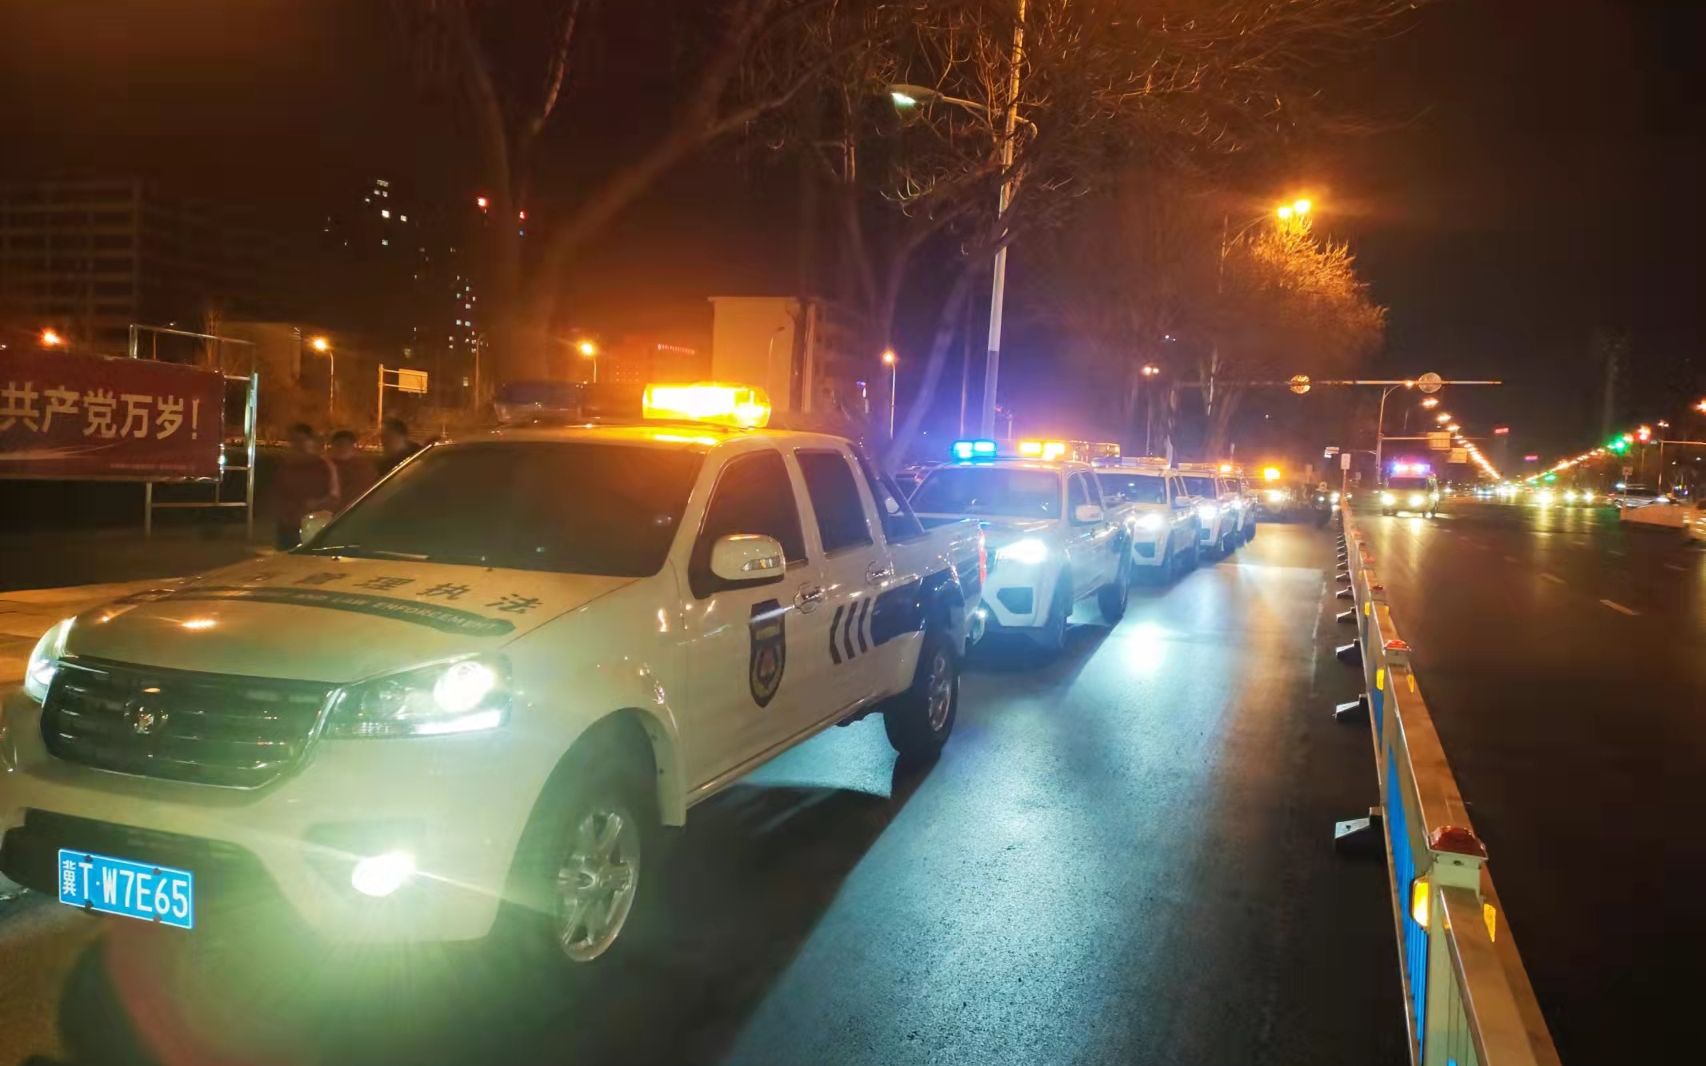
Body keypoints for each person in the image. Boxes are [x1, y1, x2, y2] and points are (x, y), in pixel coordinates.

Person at [273, 423, 339, 550]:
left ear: (311, 441)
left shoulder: (323, 466)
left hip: (313, 524)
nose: (298, 444)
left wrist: (316, 504)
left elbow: (334, 496)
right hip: (288, 524)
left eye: (302, 440)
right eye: (294, 440)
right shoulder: (286, 466)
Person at [327, 429, 378, 510]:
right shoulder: (325, 467)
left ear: (352, 446)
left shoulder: (363, 468)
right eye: (338, 445)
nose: (342, 448)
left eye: (345, 445)